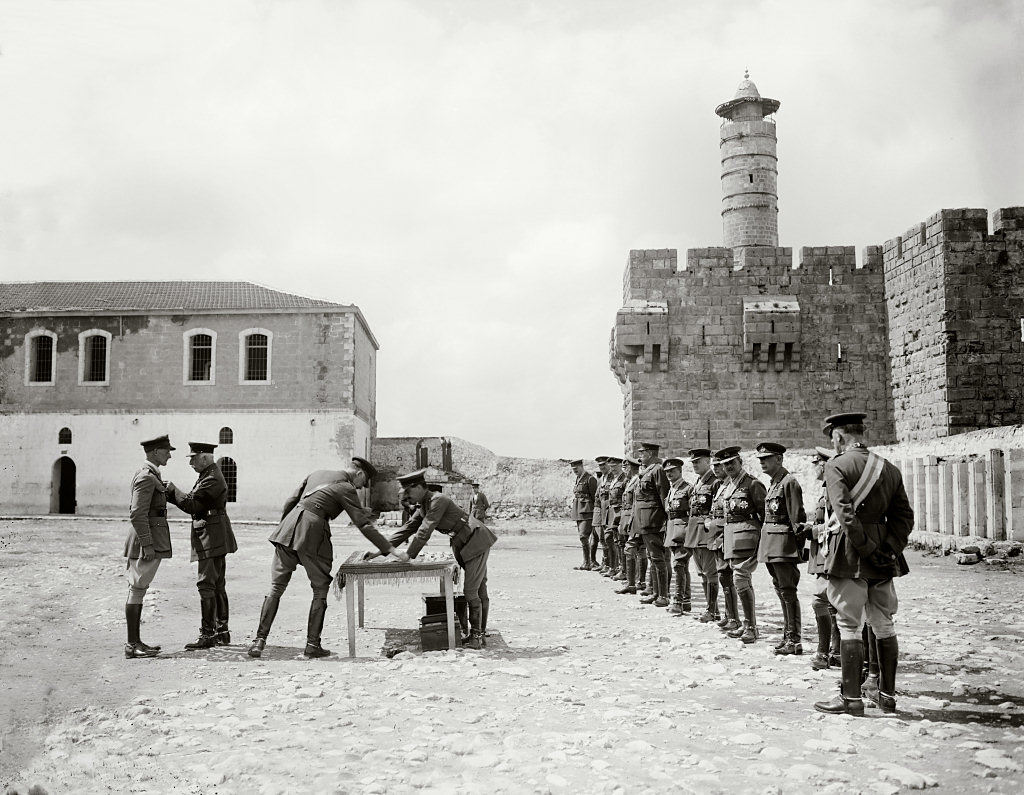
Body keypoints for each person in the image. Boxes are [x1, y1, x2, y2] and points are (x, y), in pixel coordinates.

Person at [247, 457, 406, 659]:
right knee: (320, 588)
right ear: (358, 474)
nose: (360, 488)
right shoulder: (346, 488)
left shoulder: (316, 473)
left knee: (276, 588)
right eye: (362, 483)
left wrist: (284, 527)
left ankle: (259, 642)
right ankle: (312, 645)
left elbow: (290, 501)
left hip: (287, 528)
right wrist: (391, 549)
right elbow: (363, 525)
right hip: (312, 533)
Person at [814, 412, 913, 716]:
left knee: (848, 624)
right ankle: (886, 695)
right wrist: (889, 549)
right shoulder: (889, 468)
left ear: (839, 437)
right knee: (883, 623)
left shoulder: (836, 465)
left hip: (850, 553)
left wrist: (867, 549)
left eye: (833, 438)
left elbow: (844, 516)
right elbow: (904, 518)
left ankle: (851, 698)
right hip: (884, 554)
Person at [387, 468, 497, 650]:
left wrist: (409, 554)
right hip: (461, 542)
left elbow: (425, 530)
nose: (407, 497)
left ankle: (477, 636)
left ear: (420, 487)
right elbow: (407, 529)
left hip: (474, 539)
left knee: (471, 590)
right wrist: (381, 549)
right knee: (478, 588)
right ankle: (480, 634)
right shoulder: (424, 506)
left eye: (409, 492)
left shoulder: (438, 500)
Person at [166, 442, 238, 650]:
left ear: (204, 458)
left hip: (211, 536)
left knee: (206, 584)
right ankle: (222, 632)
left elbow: (192, 505)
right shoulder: (209, 474)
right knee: (216, 584)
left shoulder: (212, 478)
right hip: (214, 534)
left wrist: (172, 490)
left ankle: (208, 635)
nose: (190, 463)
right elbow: (192, 501)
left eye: (193, 458)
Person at [122, 434, 175, 659]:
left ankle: (136, 642)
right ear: (155, 452)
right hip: (146, 542)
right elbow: (137, 513)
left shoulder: (152, 475)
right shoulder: (146, 477)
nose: (170, 455)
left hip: (149, 540)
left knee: (139, 589)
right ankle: (132, 644)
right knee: (137, 588)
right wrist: (147, 544)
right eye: (166, 451)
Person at [756, 442, 806, 655]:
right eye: (760, 460)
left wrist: (797, 549)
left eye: (766, 459)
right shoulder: (774, 483)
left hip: (784, 547)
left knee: (788, 592)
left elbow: (797, 519)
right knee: (781, 591)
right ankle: (787, 634)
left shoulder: (789, 483)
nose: (762, 463)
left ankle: (794, 639)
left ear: (779, 459)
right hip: (772, 546)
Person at [718, 446, 766, 644]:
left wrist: (764, 542)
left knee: (740, 579)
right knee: (741, 580)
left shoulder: (752, 484)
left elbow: (764, 514)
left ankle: (751, 627)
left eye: (732, 463)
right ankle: (747, 624)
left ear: (740, 462)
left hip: (747, 538)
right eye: (725, 464)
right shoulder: (729, 485)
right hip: (732, 539)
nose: (729, 467)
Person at [806, 446, 841, 670]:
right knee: (828, 603)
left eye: (816, 462)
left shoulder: (834, 490)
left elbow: (835, 523)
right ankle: (833, 651)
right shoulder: (827, 489)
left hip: (832, 551)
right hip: (824, 551)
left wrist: (813, 531)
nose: (814, 466)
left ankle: (825, 652)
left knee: (823, 601)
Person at [685, 448, 721, 623]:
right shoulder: (698, 483)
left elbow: (717, 509)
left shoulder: (714, 482)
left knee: (710, 572)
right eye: (693, 462)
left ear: (708, 462)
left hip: (706, 532)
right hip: (694, 532)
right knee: (702, 573)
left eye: (698, 461)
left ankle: (712, 610)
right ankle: (712, 609)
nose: (694, 465)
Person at [635, 442, 670, 608]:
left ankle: (663, 594)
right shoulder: (648, 470)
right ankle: (656, 592)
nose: (639, 456)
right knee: (653, 557)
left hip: (654, 520)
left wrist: (666, 520)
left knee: (658, 558)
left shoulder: (658, 470)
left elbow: (664, 496)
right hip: (646, 519)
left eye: (642, 453)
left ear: (649, 453)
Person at [663, 457, 692, 615]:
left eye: (672, 471)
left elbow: (693, 511)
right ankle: (686, 601)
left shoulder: (688, 488)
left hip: (683, 530)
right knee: (682, 566)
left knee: (679, 565)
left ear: (680, 471)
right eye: (667, 472)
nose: (669, 474)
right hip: (672, 529)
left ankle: (678, 601)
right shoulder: (671, 489)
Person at [614, 457, 642, 594]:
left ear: (631, 468)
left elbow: (636, 503)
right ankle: (635, 581)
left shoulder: (637, 480)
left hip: (635, 519)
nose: (624, 470)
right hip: (628, 518)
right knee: (635, 549)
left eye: (626, 467)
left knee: (632, 549)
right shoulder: (631, 481)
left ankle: (636, 582)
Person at [570, 459, 599, 571]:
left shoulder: (590, 479)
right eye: (573, 469)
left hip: (588, 511)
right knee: (583, 537)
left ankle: (588, 562)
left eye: (576, 468)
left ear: (581, 466)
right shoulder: (578, 479)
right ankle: (588, 561)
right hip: (578, 511)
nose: (575, 471)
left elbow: (594, 497)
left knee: (584, 536)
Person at [602, 456, 625, 578]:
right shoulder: (614, 480)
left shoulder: (624, 479)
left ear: (620, 465)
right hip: (611, 512)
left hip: (620, 512)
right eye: (611, 467)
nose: (613, 469)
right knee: (611, 540)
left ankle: (623, 570)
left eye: (615, 467)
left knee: (621, 541)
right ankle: (614, 567)